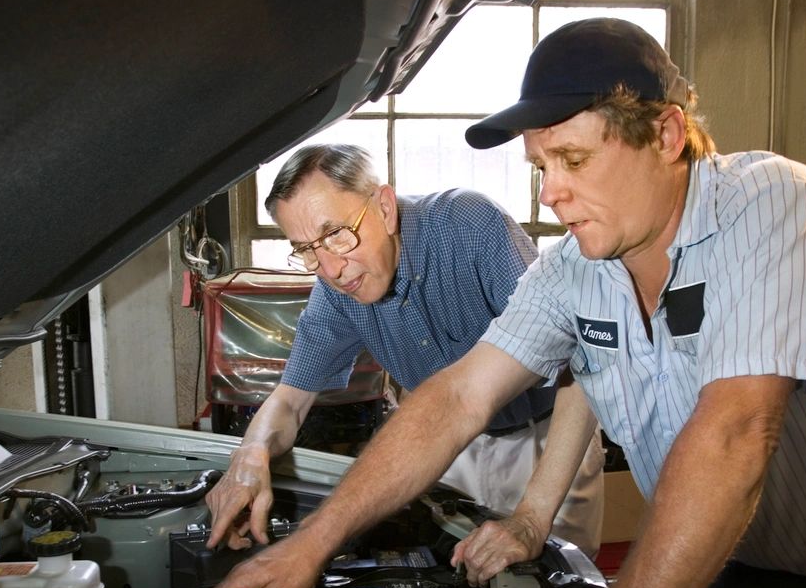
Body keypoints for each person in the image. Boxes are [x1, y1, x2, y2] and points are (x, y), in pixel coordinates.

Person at [189, 20, 806, 588]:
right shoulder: (576, 270)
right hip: (703, 562)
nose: (551, 192)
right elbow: (455, 398)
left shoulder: (778, 207)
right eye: (541, 164)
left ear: (668, 133)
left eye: (574, 158)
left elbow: (736, 435)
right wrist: (308, 548)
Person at [203, 143, 605, 557]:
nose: (332, 270)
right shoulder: (337, 290)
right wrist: (250, 456)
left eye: (336, 234)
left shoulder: (470, 226)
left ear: (385, 207)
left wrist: (531, 517)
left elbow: (577, 358)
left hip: (548, 436)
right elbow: (289, 400)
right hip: (446, 444)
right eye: (307, 251)